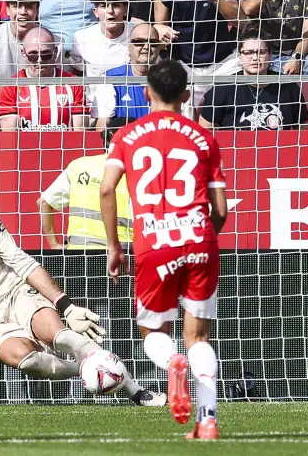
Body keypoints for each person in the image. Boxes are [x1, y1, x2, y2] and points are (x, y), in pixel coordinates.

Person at [0, 169, 164, 407]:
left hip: (15, 294)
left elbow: (23, 263)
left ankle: (137, 392)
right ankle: (91, 368)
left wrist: (67, 305)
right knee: (26, 360)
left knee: (58, 335)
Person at [100, 60, 229, 440]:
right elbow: (219, 208)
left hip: (154, 243)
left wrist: (114, 246)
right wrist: (203, 234)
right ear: (187, 95)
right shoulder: (204, 138)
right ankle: (207, 423)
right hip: (200, 238)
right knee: (200, 339)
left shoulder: (126, 135)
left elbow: (107, 188)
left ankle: (172, 361)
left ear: (146, 92)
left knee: (154, 331)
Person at [153, 0, 241, 109]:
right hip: (184, 65)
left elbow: (240, 19)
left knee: (232, 110)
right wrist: (159, 31)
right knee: (185, 118)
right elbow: (161, 36)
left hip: (223, 62)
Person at [39, 118, 132, 250]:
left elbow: (43, 202)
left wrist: (54, 245)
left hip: (79, 253)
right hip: (124, 254)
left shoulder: (79, 165)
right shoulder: (138, 173)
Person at [199, 31, 308, 130]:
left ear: (270, 54)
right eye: (248, 53)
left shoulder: (288, 86)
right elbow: (205, 129)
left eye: (261, 52)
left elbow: (303, 128)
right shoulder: (222, 88)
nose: (255, 58)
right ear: (239, 56)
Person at [0, 28, 88, 131]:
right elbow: (10, 137)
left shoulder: (73, 84)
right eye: (33, 55)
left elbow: (80, 134)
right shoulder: (10, 87)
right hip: (25, 146)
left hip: (64, 146)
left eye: (46, 54)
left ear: (55, 52)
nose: (39, 60)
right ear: (23, 53)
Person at [93, 23, 165, 129]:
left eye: (152, 42)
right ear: (129, 46)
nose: (146, 47)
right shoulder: (110, 80)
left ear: (159, 47)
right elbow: (102, 126)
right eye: (139, 42)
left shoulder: (170, 80)